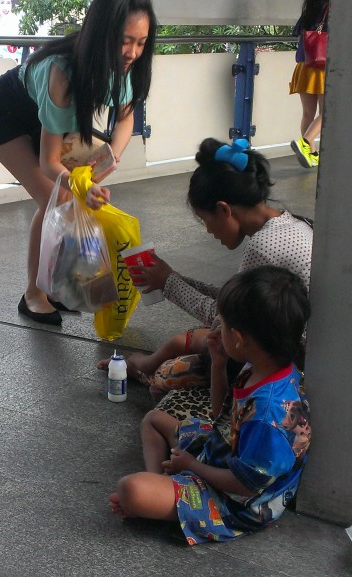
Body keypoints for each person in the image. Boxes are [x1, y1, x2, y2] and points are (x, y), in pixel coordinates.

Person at [97, 138, 312, 421]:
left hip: (283, 357)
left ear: (224, 209)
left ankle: (150, 372)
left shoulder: (263, 246)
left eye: (205, 219)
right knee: (186, 340)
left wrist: (169, 283)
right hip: (279, 339)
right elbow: (232, 298)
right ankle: (144, 364)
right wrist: (171, 277)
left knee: (167, 374)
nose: (209, 231)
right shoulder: (288, 223)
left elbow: (223, 318)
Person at [0, 0, 157, 325]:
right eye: (125, 41)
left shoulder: (122, 66)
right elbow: (49, 163)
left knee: (65, 200)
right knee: (54, 198)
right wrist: (79, 188)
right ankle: (33, 294)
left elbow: (126, 118)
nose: (132, 52)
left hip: (46, 118)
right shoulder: (63, 71)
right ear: (102, 35)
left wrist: (110, 155)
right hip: (4, 115)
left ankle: (58, 289)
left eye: (141, 43)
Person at [109, 265, 312, 545]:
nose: (216, 328)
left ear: (239, 339)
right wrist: (218, 364)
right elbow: (222, 417)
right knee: (154, 419)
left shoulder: (268, 415)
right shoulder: (266, 366)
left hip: (237, 502)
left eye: (224, 324)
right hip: (223, 452)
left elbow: (245, 485)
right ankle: (161, 483)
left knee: (131, 489)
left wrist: (192, 466)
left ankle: (159, 492)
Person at [288, 0, 328, 169]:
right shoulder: (331, 10)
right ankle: (306, 142)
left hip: (304, 66)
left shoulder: (309, 9)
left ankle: (311, 154)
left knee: (307, 114)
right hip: (321, 67)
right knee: (327, 112)